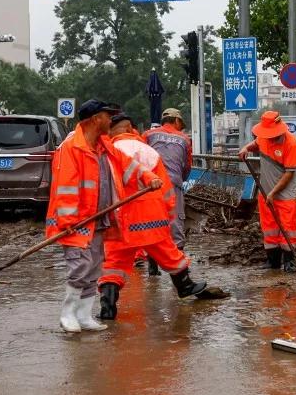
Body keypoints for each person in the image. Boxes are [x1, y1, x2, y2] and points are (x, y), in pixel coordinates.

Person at [45, 100, 163, 332]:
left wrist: (148, 177)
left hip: (99, 218)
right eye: (108, 116)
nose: (111, 121)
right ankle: (68, 314)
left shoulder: (104, 147)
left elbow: (128, 166)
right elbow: (65, 188)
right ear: (96, 119)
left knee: (95, 267)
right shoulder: (72, 148)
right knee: (80, 266)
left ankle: (85, 314)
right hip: (75, 221)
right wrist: (68, 221)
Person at [97, 114, 224, 320]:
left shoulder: (106, 153)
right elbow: (166, 189)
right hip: (150, 217)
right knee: (169, 253)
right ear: (132, 128)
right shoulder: (147, 152)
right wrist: (169, 212)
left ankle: (108, 307)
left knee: (114, 262)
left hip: (118, 218)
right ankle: (185, 286)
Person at [238, 110, 296, 271]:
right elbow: (255, 144)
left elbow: (289, 173)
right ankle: (272, 261)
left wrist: (273, 193)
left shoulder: (291, 143)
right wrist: (246, 148)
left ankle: (289, 262)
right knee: (269, 227)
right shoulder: (263, 139)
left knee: (288, 227)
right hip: (266, 192)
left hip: (285, 194)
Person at [143, 107, 193, 253]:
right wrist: (180, 181)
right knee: (176, 221)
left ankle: (153, 268)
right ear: (176, 120)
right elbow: (187, 165)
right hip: (173, 183)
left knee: (152, 222)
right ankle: (180, 265)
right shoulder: (184, 139)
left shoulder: (147, 135)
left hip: (151, 185)